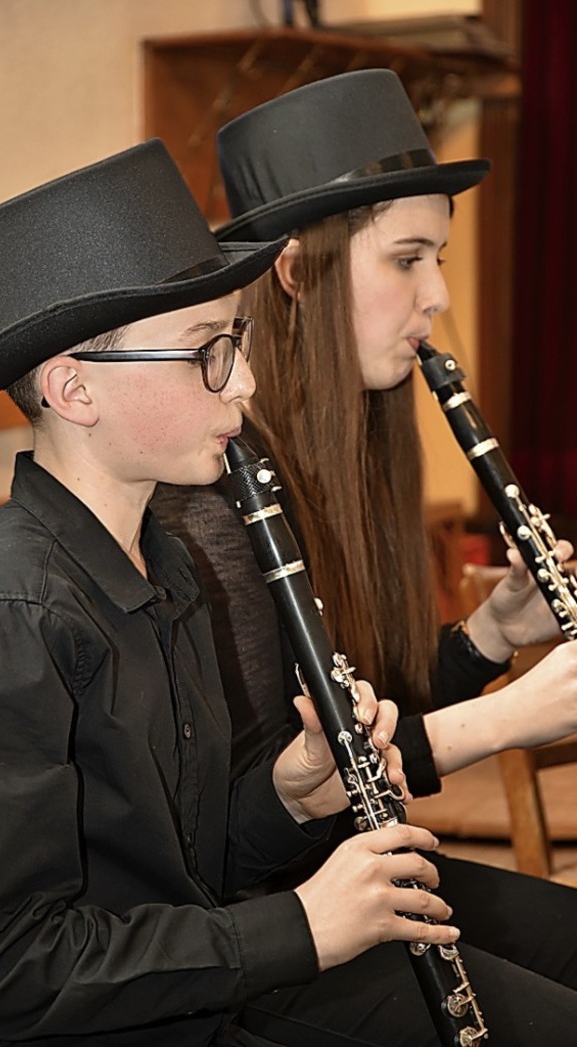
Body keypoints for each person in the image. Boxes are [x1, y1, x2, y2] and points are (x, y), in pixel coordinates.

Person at [151, 69, 577, 1033]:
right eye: (408, 258)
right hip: (258, 923)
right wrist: (508, 718)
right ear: (296, 271)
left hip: (357, 866)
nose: (436, 297)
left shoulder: (353, 441)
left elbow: (361, 700)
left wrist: (484, 634)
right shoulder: (211, 491)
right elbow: (266, 799)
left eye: (440, 258)